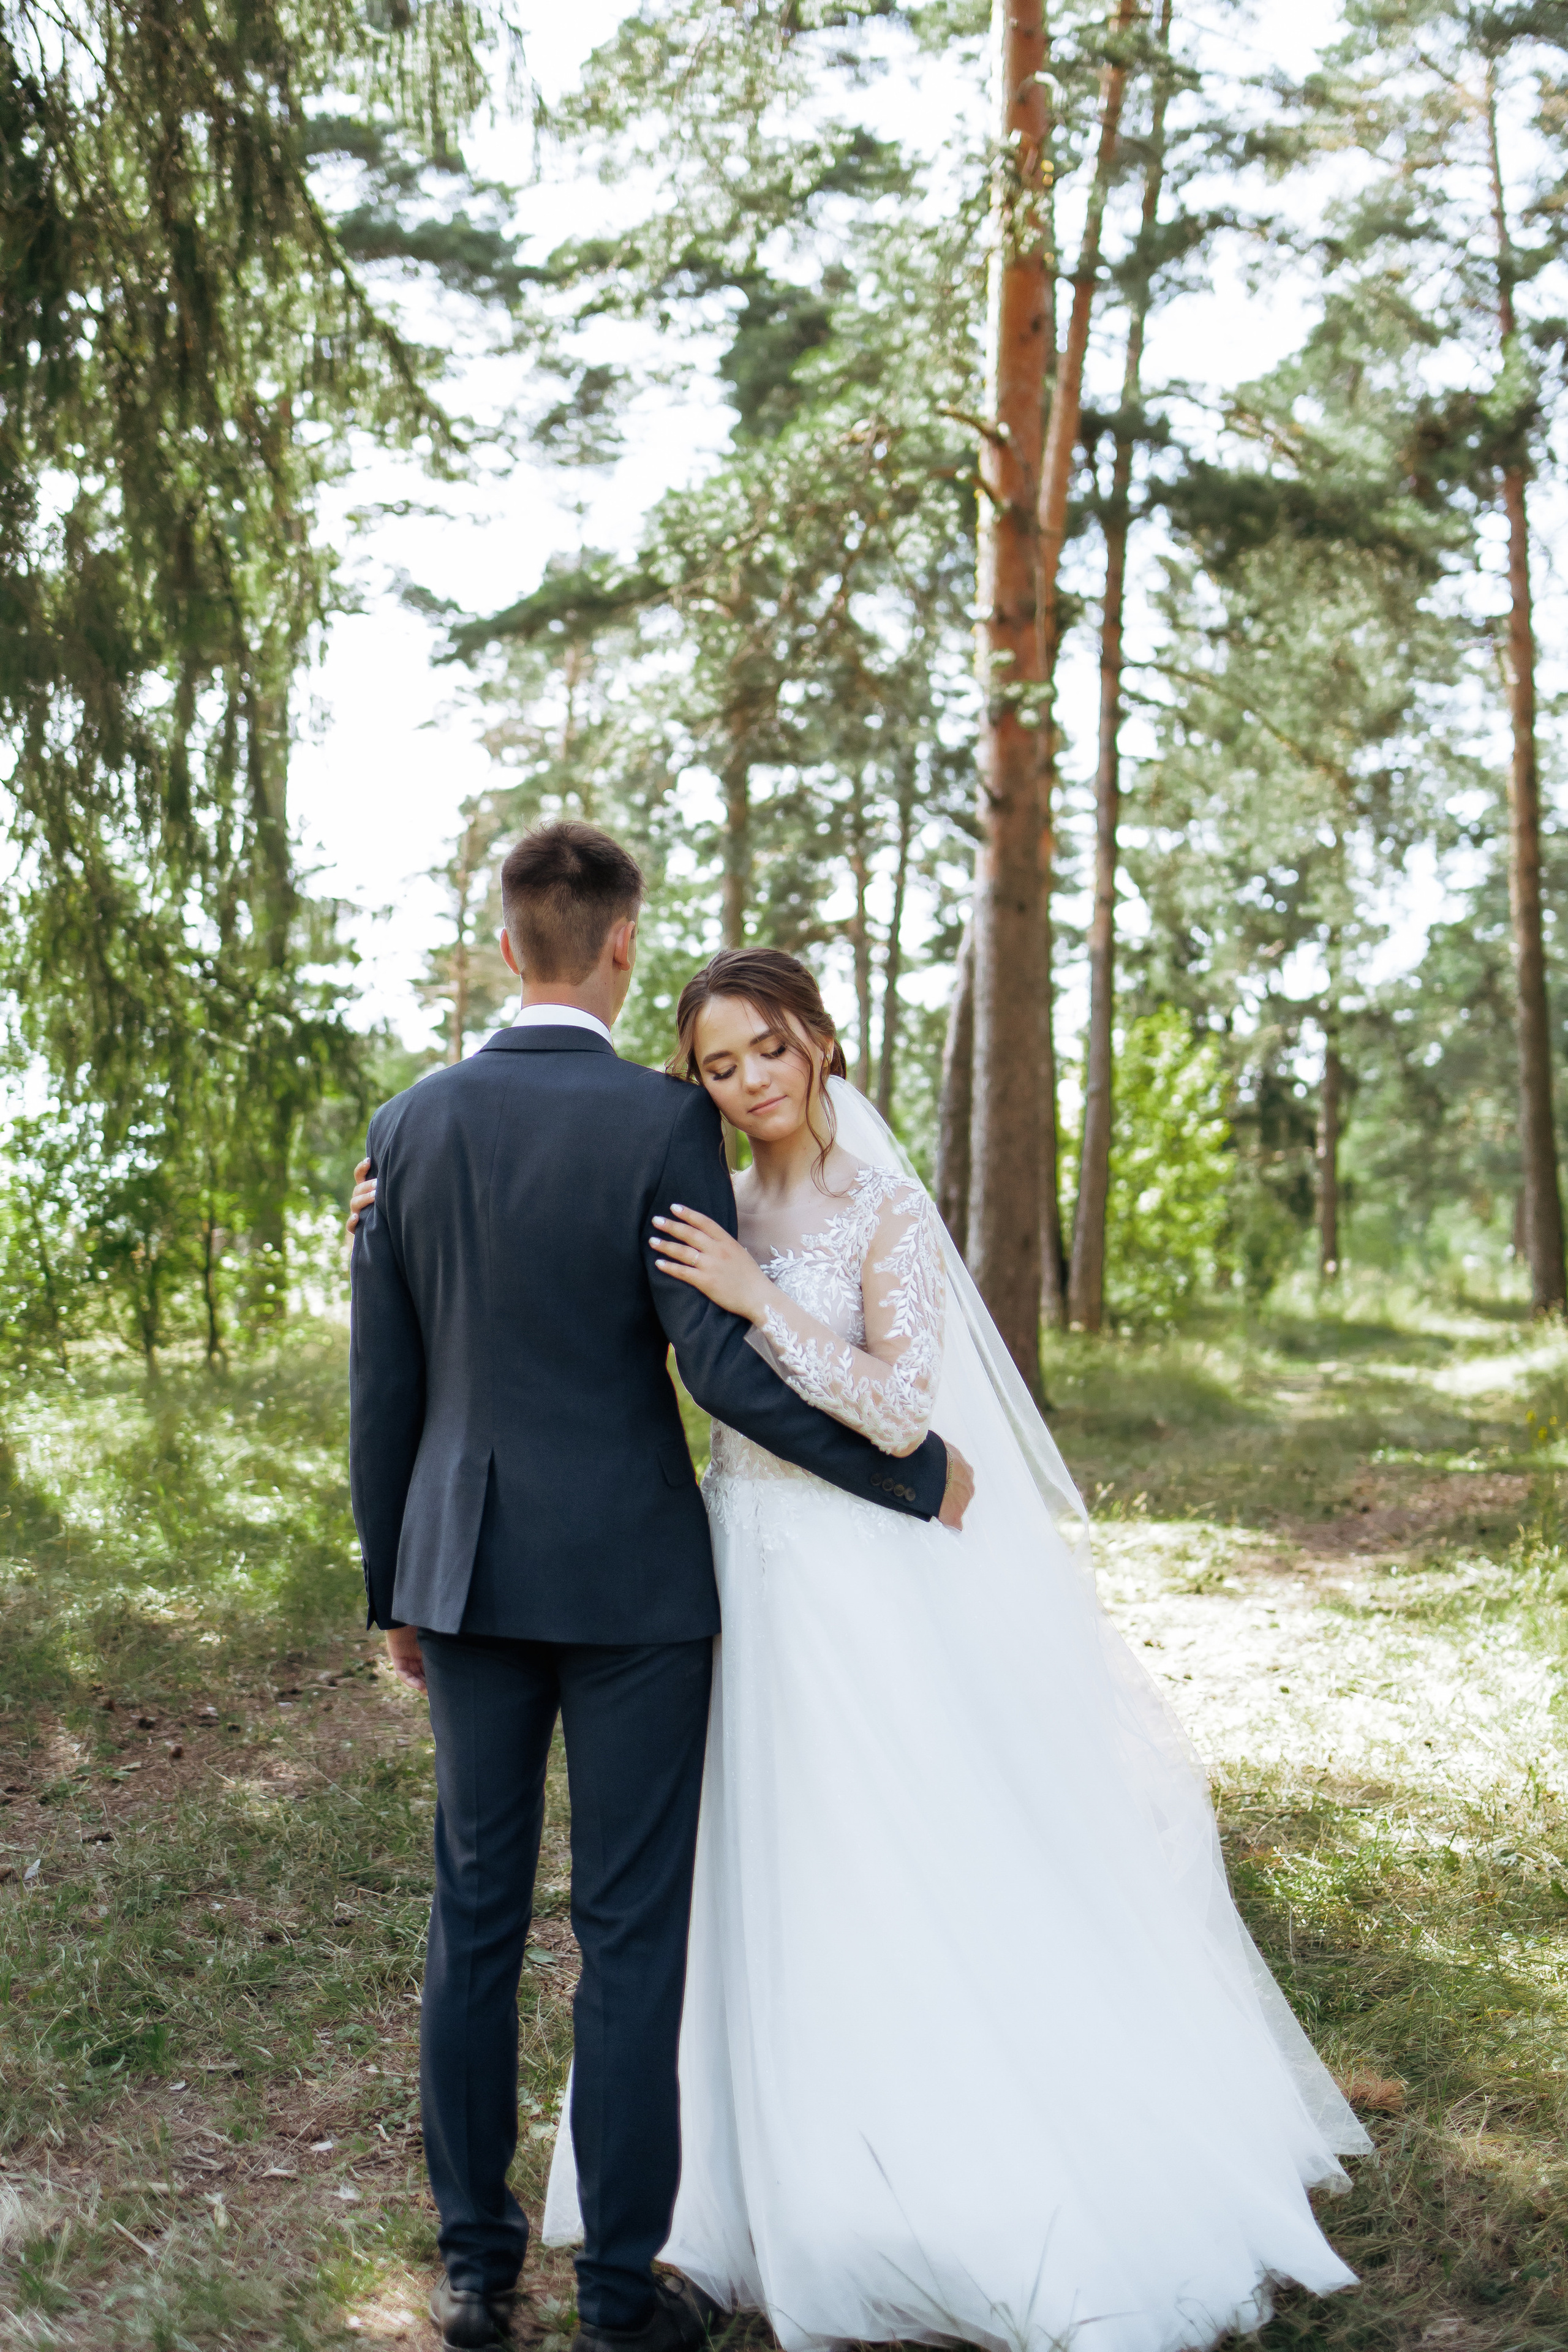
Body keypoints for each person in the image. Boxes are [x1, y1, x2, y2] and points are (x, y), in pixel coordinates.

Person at [527, 948, 1374, 2352]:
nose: (745, 1083)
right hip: (736, 1567)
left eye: (766, 1051)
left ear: (817, 1043)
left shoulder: (883, 1207)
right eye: (717, 1065)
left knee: (890, 1853)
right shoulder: (713, 1204)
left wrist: (760, 1301)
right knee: (757, 1862)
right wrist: (394, 1213)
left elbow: (901, 1413)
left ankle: (943, 2180)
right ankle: (748, 2186)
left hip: (860, 1576)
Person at [346, 824, 973, 2352]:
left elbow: (386, 1388)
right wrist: (910, 1472)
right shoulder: (655, 1126)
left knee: (471, 1919)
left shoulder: (408, 1124)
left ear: (509, 946)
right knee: (629, 1934)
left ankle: (477, 2275)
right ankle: (620, 2302)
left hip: (468, 1579)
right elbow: (714, 1370)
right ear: (623, 948)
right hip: (635, 1586)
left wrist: (398, 1594)